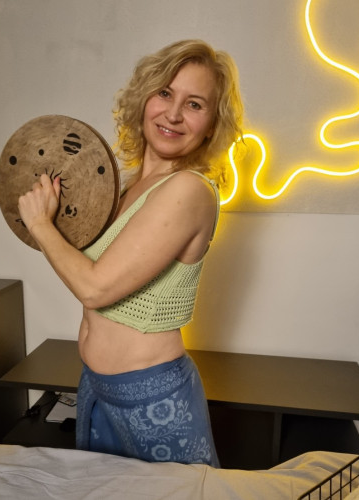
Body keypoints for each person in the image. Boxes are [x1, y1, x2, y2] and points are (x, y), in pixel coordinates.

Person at [18, 39, 244, 467]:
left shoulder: (189, 190)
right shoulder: (128, 187)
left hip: (153, 399)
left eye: (194, 104)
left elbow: (95, 288)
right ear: (143, 99)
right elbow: (91, 273)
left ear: (212, 124)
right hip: (99, 388)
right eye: (165, 93)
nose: (173, 114)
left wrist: (42, 225)